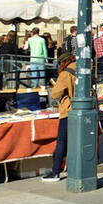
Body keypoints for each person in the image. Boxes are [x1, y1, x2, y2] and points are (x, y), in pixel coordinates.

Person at [41, 52, 77, 181]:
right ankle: (76, 166)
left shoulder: (65, 73)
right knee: (77, 141)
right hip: (83, 110)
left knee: (62, 141)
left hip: (68, 110)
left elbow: (55, 94)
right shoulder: (83, 68)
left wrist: (56, 85)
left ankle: (56, 171)